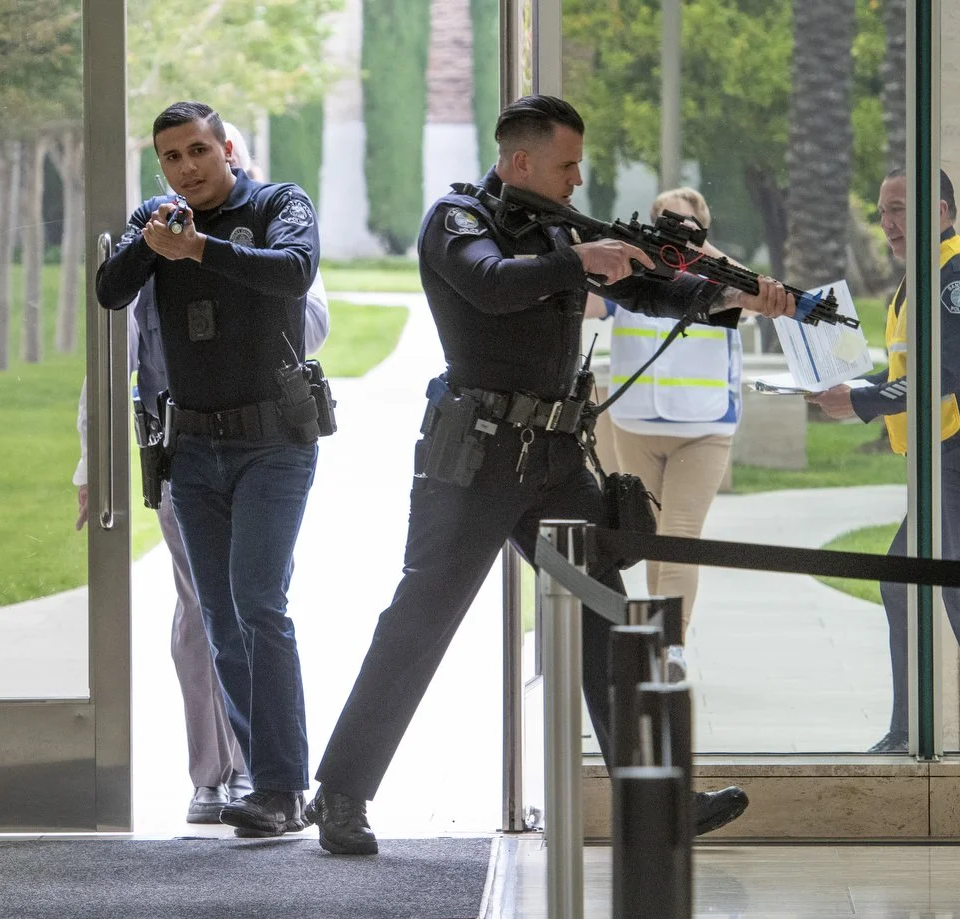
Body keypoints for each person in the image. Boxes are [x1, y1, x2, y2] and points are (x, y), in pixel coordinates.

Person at [305, 94, 795, 856]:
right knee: (419, 622)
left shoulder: (566, 226)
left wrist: (729, 295)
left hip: (557, 460)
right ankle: (341, 792)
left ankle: (659, 797)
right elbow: (490, 281)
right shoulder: (458, 218)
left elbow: (650, 289)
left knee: (612, 618)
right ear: (521, 159)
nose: (576, 180)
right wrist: (575, 262)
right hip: (475, 458)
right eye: (566, 165)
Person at [74, 124, 328, 824]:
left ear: (227, 152)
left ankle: (282, 786)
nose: (186, 168)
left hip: (275, 442)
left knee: (259, 603)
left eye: (198, 152)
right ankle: (261, 786)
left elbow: (296, 271)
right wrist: (157, 240)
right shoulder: (157, 220)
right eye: (171, 158)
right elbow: (109, 290)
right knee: (218, 618)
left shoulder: (278, 204)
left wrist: (201, 249)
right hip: (191, 450)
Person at [806, 168, 960, 753]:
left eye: (898, 210)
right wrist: (848, 390)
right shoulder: (927, 275)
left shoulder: (958, 275)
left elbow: (944, 374)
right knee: (931, 587)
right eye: (884, 211)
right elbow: (908, 374)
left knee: (935, 588)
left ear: (939, 211)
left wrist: (859, 400)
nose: (888, 223)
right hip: (959, 454)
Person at [584, 187, 744, 677]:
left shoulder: (724, 279)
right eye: (668, 225)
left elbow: (761, 296)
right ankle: (658, 638)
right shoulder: (631, 275)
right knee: (650, 538)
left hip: (704, 426)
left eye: (689, 226)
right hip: (635, 424)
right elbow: (588, 303)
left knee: (679, 536)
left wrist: (702, 254)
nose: (680, 235)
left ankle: (671, 644)